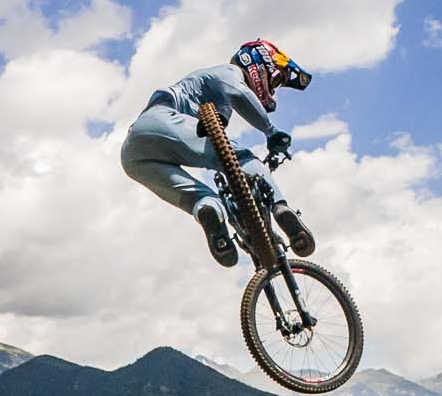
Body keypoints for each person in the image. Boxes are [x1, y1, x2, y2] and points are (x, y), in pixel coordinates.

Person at [121, 39, 314, 267]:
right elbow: (239, 94)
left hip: (134, 152)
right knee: (243, 158)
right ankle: (281, 209)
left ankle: (211, 214)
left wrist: (257, 234)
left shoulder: (219, 104)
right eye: (276, 80)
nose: (272, 90)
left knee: (204, 199)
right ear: (259, 63)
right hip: (165, 118)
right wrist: (270, 132)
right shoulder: (229, 73)